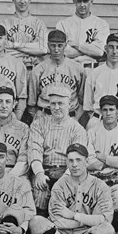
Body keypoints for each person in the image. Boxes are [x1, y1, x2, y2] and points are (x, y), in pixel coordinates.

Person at [29, 143, 115, 234]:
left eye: (78, 160)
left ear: (87, 161)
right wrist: (86, 221)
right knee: (36, 222)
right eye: (71, 160)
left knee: (107, 230)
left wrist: (74, 216)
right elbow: (56, 219)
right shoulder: (60, 184)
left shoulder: (100, 186)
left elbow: (105, 220)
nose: (74, 165)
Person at [28, 86, 87, 215]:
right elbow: (34, 149)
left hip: (68, 173)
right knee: (40, 195)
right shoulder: (38, 124)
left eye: (60, 103)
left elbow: (77, 158)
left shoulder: (77, 129)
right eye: (53, 103)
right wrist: (38, 173)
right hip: (44, 171)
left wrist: (66, 178)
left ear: (70, 105)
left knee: (66, 200)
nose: (56, 107)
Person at [86, 95, 118, 234]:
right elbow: (88, 162)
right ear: (100, 112)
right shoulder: (92, 132)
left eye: (112, 109)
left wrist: (103, 157)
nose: (108, 113)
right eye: (105, 110)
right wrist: (111, 163)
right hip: (96, 177)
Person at [3, 0, 48, 123]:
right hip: (13, 72)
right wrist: (30, 49)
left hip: (32, 70)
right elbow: (5, 50)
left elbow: (42, 49)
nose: (22, 1)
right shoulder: (5, 23)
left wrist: (16, 45)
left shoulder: (38, 23)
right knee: (14, 104)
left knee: (32, 107)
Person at [28, 30, 85, 122]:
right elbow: (31, 103)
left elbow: (83, 100)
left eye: (60, 45)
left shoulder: (77, 69)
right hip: (44, 115)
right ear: (48, 45)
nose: (56, 49)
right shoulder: (38, 69)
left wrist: (76, 118)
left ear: (65, 45)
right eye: (53, 45)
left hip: (69, 116)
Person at [56, 0, 109, 72]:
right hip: (68, 70)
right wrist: (89, 50)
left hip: (92, 69)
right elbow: (62, 51)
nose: (82, 5)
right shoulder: (63, 24)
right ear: (74, 2)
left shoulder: (101, 24)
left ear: (91, 2)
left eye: (85, 1)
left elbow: (99, 51)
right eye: (79, 1)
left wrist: (76, 45)